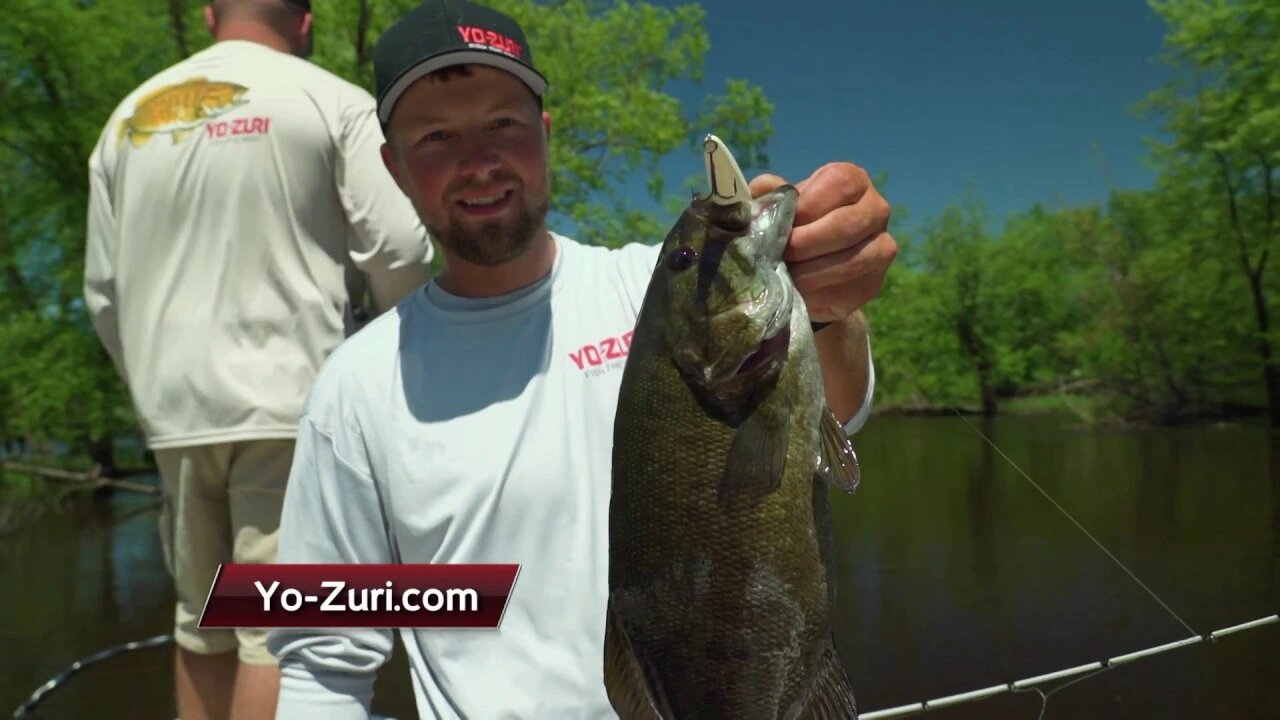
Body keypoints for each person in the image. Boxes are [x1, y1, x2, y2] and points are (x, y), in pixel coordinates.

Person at [267, 0, 897, 717]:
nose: (477, 161)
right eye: (437, 135)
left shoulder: (655, 292)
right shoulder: (351, 388)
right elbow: (323, 657)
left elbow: (839, 404)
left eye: (503, 123)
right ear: (394, 165)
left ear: (544, 133)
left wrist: (827, 305)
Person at [82, 0, 436, 718]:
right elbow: (400, 248)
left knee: (201, 621)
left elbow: (103, 293)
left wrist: (151, 389)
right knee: (278, 632)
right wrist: (391, 363)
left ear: (211, 15)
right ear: (304, 24)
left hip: (172, 412)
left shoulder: (124, 120)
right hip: (290, 407)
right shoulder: (331, 100)